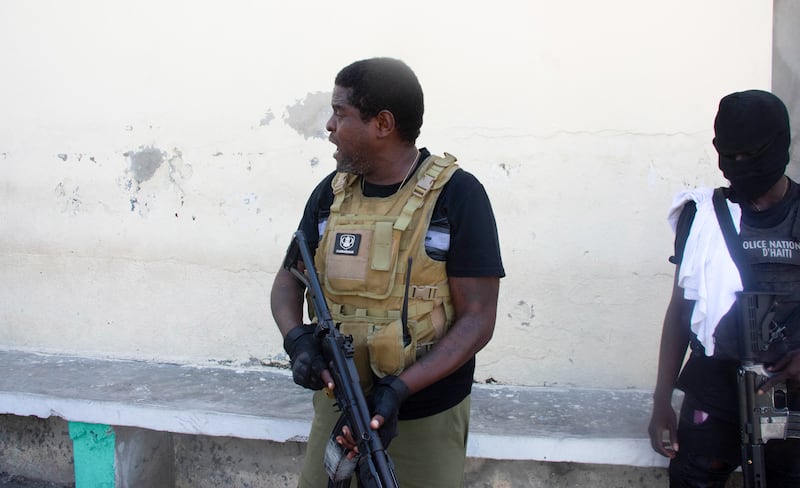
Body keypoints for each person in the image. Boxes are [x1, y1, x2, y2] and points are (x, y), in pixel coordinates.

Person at [270, 57, 505, 488]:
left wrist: (400, 388)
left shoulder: (457, 196)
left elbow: (478, 319)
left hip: (423, 414)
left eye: (340, 114)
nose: (328, 126)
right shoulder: (329, 194)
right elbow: (288, 279)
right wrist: (297, 339)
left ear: (382, 123)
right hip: (338, 405)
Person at [648, 89, 800, 487]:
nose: (740, 167)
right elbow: (682, 310)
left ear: (781, 144)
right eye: (729, 157)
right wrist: (662, 400)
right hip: (714, 392)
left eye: (752, 156)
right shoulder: (700, 216)